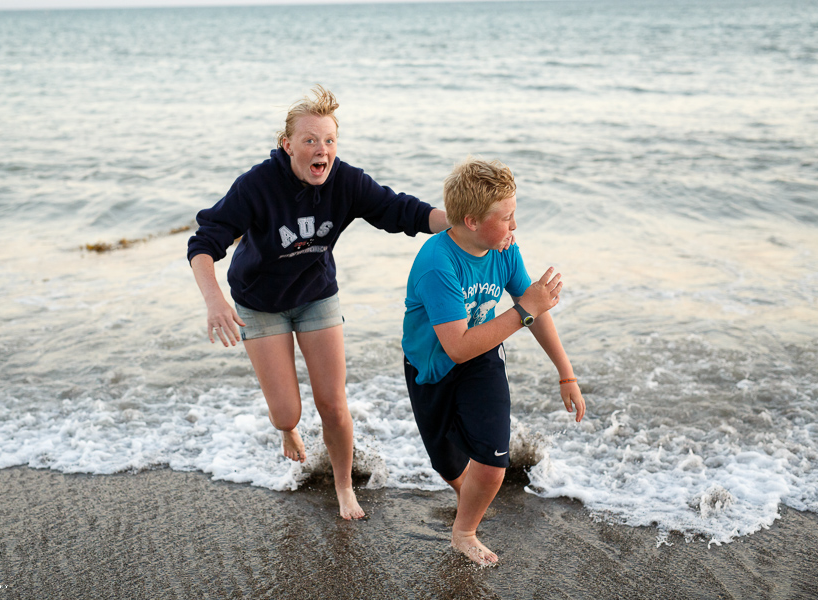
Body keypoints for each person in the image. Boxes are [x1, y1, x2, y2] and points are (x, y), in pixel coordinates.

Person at [187, 86, 450, 520]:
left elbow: (401, 211)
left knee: (333, 402)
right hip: (259, 302)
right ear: (287, 145)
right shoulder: (257, 185)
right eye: (310, 140)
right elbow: (205, 241)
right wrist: (215, 302)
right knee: (286, 411)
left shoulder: (345, 180)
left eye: (329, 140)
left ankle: (344, 486)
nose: (321, 149)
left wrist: (461, 225)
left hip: (315, 296)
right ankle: (289, 430)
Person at [401, 157, 586, 564]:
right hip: (432, 367)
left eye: (514, 215)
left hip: (482, 358)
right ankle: (466, 494)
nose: (514, 227)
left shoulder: (503, 249)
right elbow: (458, 347)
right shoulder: (438, 263)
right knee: (447, 464)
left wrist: (565, 373)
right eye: (506, 219)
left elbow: (532, 309)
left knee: (491, 458)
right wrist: (524, 311)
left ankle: (464, 531)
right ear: (470, 221)